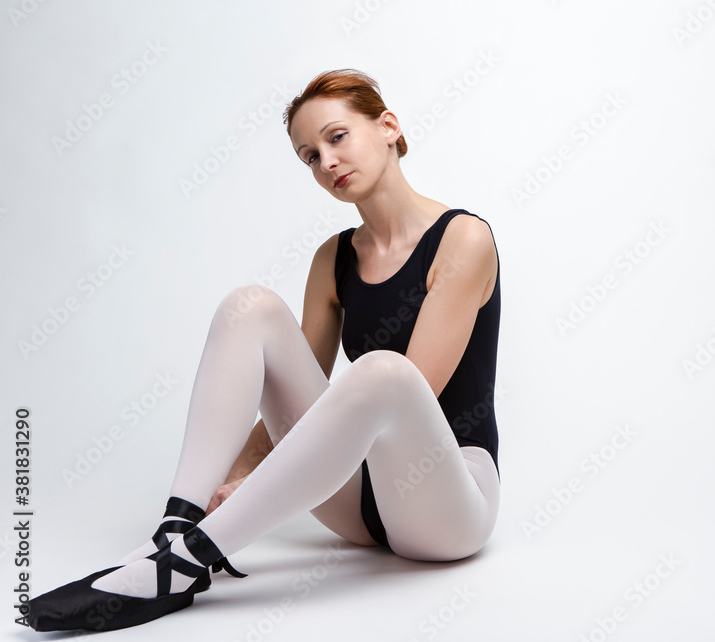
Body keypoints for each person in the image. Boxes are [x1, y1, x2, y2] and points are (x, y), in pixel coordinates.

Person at [26, 69, 503, 632]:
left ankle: (184, 564)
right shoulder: (334, 260)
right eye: (308, 155)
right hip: (357, 503)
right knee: (249, 305)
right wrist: (232, 476)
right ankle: (176, 531)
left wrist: (263, 477)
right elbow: (302, 394)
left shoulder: (463, 239)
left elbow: (409, 391)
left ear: (389, 127)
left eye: (337, 137)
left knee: (384, 373)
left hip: (445, 502)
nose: (325, 161)